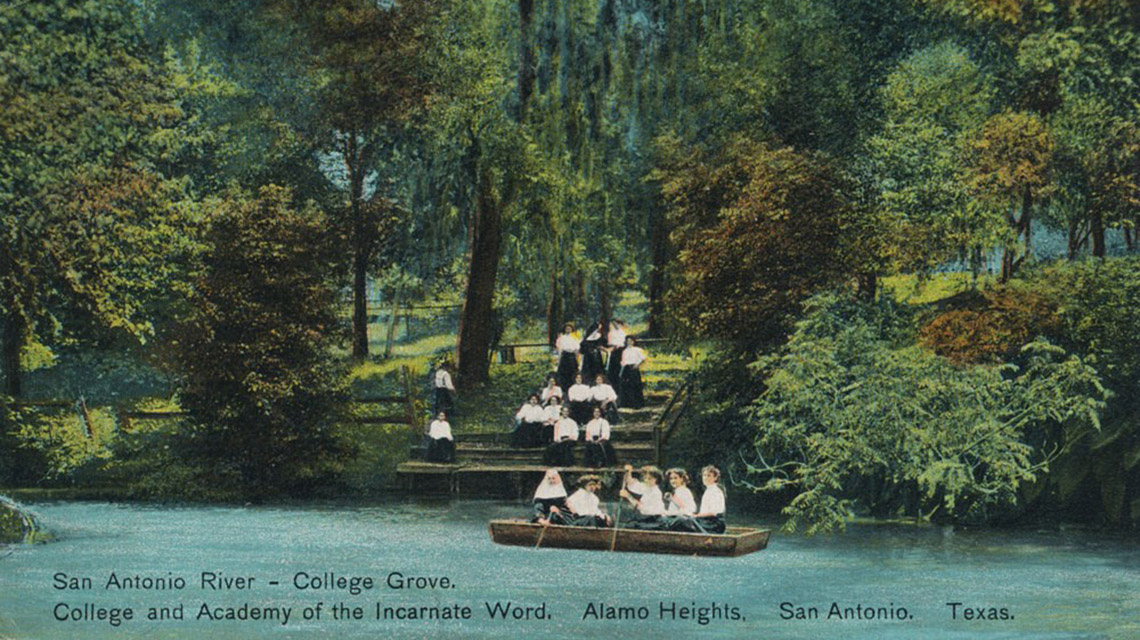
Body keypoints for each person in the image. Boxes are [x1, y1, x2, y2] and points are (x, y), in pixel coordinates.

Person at [671, 465, 726, 534]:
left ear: (715, 478)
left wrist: (696, 516)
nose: (705, 478)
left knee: (682, 520)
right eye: (704, 475)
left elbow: (713, 513)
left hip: (713, 524)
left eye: (709, 476)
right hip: (705, 521)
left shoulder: (716, 491)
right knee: (682, 519)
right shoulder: (709, 490)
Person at [619, 464, 666, 530]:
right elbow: (631, 483)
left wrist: (628, 496)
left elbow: (643, 508)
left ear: (656, 479)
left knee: (631, 526)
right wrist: (629, 472)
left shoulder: (656, 492)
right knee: (629, 525)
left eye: (649, 478)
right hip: (647, 518)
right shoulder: (647, 487)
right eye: (645, 478)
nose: (646, 480)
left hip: (655, 520)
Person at [618, 336, 647, 409]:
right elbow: (623, 361)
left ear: (633, 341)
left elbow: (643, 358)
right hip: (626, 369)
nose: (629, 342)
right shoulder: (625, 351)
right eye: (628, 341)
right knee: (626, 385)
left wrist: (637, 364)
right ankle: (627, 403)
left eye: (631, 341)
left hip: (633, 368)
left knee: (635, 385)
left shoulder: (637, 350)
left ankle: (637, 403)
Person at [554, 323, 581, 392]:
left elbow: (577, 350)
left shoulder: (574, 338)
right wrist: (558, 360)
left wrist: (578, 361)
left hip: (572, 356)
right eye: (567, 328)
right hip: (564, 356)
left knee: (573, 373)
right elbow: (560, 350)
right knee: (564, 374)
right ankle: (564, 389)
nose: (568, 330)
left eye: (569, 328)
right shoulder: (561, 338)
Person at [604, 319, 627, 391]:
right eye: (614, 324)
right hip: (613, 351)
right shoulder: (611, 333)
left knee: (620, 368)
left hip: (621, 351)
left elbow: (624, 343)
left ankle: (620, 387)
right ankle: (613, 386)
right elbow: (609, 343)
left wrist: (619, 346)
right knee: (612, 368)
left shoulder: (623, 333)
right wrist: (613, 346)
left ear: (621, 325)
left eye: (618, 324)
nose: (616, 325)